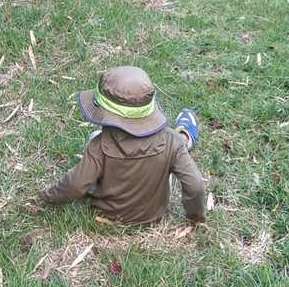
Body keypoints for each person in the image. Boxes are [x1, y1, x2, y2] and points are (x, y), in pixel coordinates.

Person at [38, 65, 207, 226]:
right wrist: (195, 216)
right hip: (154, 215)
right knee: (174, 143)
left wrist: (47, 195)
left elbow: (76, 184)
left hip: (107, 214)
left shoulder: (99, 145)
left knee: (94, 135)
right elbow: (195, 185)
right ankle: (185, 135)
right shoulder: (171, 141)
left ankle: (184, 137)